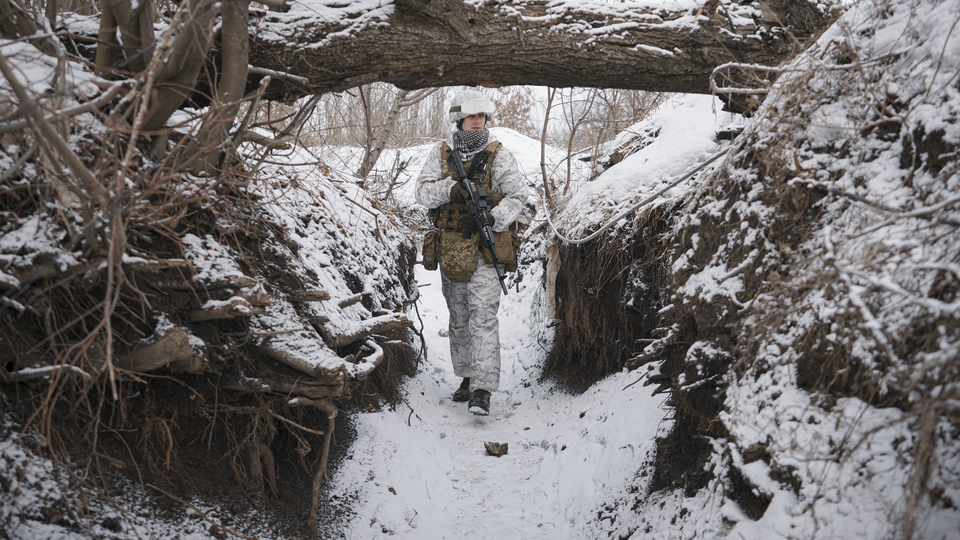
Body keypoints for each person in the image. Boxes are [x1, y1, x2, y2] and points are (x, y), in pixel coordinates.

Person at [415, 89, 527, 416]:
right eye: (471, 116)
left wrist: (492, 217)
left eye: (481, 116)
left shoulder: (499, 154)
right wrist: (450, 189)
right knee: (459, 317)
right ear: (459, 119)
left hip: (485, 249)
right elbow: (421, 192)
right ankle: (466, 377)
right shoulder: (441, 153)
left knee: (483, 318)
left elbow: (518, 196)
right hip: (452, 249)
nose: (478, 121)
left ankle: (483, 389)